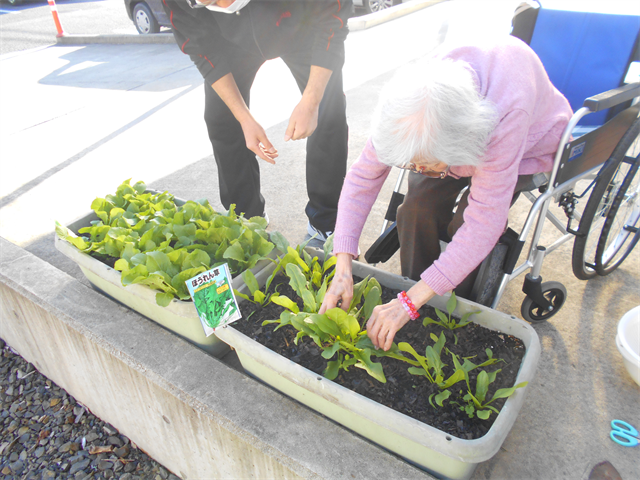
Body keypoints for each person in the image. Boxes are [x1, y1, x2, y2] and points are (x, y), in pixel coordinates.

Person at [319, 35, 573, 351]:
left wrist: (408, 305)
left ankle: (453, 307)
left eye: (423, 165)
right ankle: (415, 290)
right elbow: (362, 178)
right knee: (415, 209)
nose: (416, 169)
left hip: (523, 146)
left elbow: (483, 223)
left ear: (456, 150)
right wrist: (343, 268)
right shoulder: (408, 108)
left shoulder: (507, 112)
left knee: (463, 227)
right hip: (449, 137)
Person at [162, 0, 352, 244]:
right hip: (230, 41)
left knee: (329, 111)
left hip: (303, 24)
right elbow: (202, 49)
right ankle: (248, 218)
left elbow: (332, 21)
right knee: (221, 119)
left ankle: (326, 221)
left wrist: (312, 101)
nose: (218, 4)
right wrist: (243, 118)